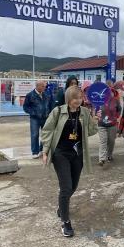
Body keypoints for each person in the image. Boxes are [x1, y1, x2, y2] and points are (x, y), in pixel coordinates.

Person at [41, 86, 98, 237]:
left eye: (80, 98)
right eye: (75, 98)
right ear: (68, 99)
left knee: (73, 186)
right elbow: (47, 131)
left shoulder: (85, 112)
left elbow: (91, 132)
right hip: (61, 153)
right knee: (66, 188)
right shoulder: (58, 111)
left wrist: (94, 120)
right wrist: (45, 151)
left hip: (77, 154)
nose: (78, 101)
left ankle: (62, 205)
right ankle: (65, 222)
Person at [23, 80, 54, 159]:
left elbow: (51, 104)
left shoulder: (47, 94)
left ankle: (42, 149)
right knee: (34, 135)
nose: (45, 88)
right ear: (37, 86)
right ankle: (35, 151)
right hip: (35, 119)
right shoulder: (30, 95)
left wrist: (50, 113)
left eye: (45, 86)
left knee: (45, 134)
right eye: (43, 86)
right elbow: (25, 107)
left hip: (46, 118)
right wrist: (33, 112)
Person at [96, 88, 122, 165]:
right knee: (103, 141)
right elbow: (95, 110)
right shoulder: (100, 100)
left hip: (112, 124)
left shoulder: (116, 101)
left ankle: (109, 155)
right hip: (101, 124)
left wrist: (116, 117)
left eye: (111, 92)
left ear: (113, 93)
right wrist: (96, 114)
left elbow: (119, 110)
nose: (109, 94)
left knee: (111, 141)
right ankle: (102, 159)